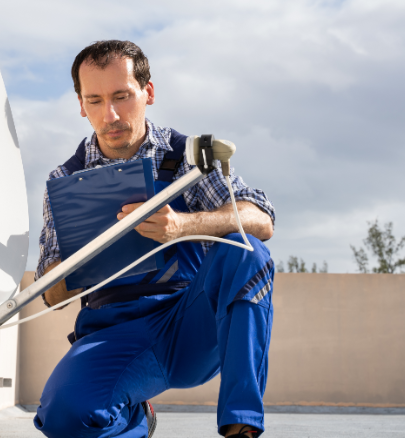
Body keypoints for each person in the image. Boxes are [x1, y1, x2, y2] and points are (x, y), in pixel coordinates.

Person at [33, 40, 276, 438]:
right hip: (113, 333)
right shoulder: (64, 180)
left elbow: (260, 219)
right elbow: (52, 296)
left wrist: (183, 226)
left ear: (148, 92)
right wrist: (83, 257)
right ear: (80, 104)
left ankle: (241, 428)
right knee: (65, 416)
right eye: (94, 100)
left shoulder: (186, 157)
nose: (109, 115)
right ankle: (135, 418)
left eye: (122, 96)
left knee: (248, 251)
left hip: (188, 323)